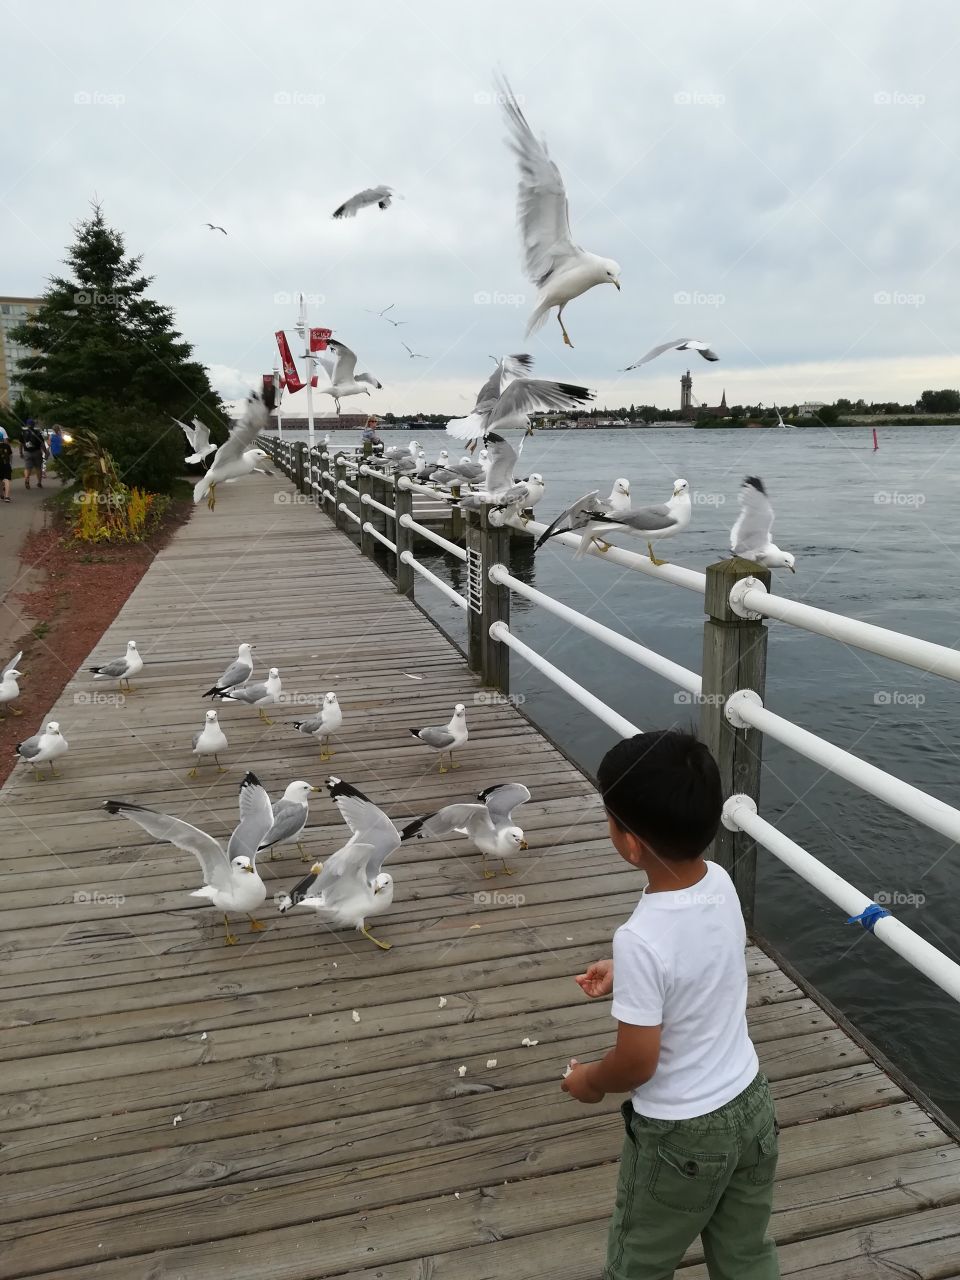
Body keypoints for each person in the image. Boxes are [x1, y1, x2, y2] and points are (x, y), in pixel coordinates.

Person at [562, 730, 780, 1280]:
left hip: (681, 1134)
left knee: (640, 1257)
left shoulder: (640, 938)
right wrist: (630, 977)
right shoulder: (722, 883)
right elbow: (703, 959)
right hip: (751, 1105)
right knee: (746, 1252)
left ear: (630, 843)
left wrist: (588, 1080)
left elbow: (637, 1063)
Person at [20, 419, 46, 490]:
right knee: (38, 468)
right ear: (34, 424)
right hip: (37, 452)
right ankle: (39, 483)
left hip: (27, 452)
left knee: (27, 468)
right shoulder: (38, 433)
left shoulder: (23, 432)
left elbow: (21, 443)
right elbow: (42, 443)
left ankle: (26, 479)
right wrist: (46, 452)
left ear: (27, 424)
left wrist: (21, 452)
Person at [0, 433, 12, 502]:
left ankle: (1, 495)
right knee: (7, 479)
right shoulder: (7, 446)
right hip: (6, 464)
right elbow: (10, 455)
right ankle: (7, 496)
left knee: (0, 480)